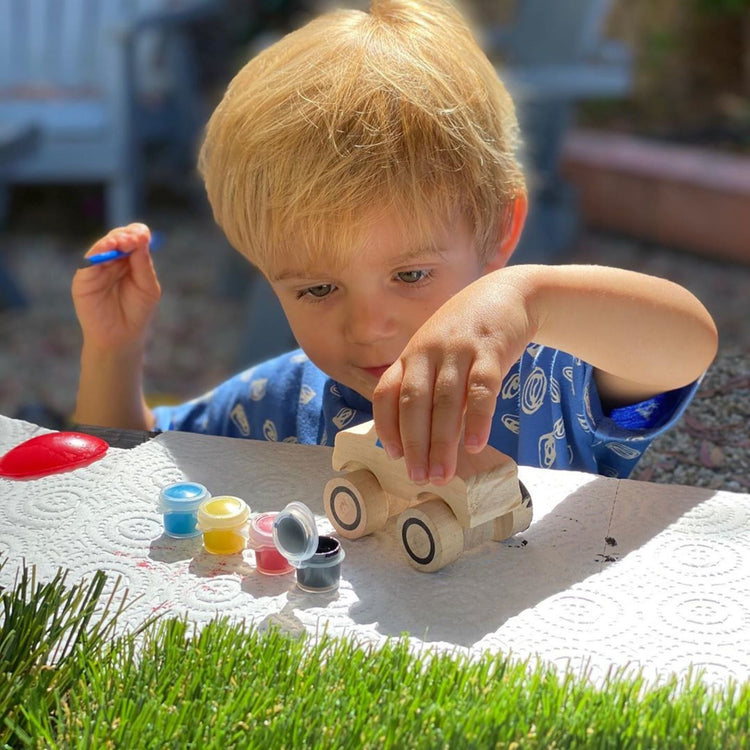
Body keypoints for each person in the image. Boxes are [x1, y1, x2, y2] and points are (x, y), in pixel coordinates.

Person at [72, 0, 717, 486]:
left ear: (499, 231)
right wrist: (113, 349)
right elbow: (130, 463)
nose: (369, 325)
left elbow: (687, 345)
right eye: (318, 288)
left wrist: (527, 297)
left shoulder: (552, 380)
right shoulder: (275, 402)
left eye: (410, 275)